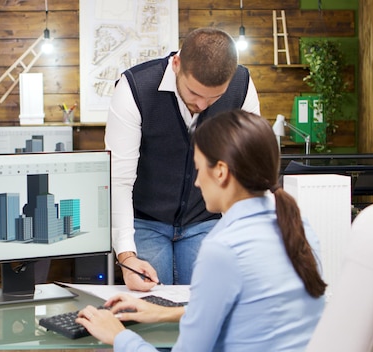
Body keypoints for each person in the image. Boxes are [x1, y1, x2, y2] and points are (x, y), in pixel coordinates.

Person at [77, 110, 326, 351]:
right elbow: (253, 310)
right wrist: (164, 312)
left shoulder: (223, 249)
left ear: (220, 171)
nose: (196, 182)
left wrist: (119, 337)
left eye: (198, 169)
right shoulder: (298, 226)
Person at [106, 27, 261, 291]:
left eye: (215, 98)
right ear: (176, 64)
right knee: (153, 304)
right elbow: (118, 180)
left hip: (205, 219)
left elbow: (247, 169)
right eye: (194, 93)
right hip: (145, 221)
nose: (203, 106)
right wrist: (127, 256)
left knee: (207, 301)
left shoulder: (241, 85)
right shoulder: (134, 88)